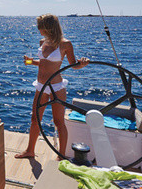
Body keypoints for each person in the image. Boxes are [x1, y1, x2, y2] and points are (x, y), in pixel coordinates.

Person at [15, 14, 89, 160]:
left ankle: (61, 155)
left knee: (58, 122)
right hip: (41, 86)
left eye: (40, 27)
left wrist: (82, 64)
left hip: (56, 87)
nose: (38, 30)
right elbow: (43, 63)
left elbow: (73, 65)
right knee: (35, 119)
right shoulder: (43, 41)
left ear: (48, 27)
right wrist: (31, 62)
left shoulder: (65, 44)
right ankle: (30, 151)